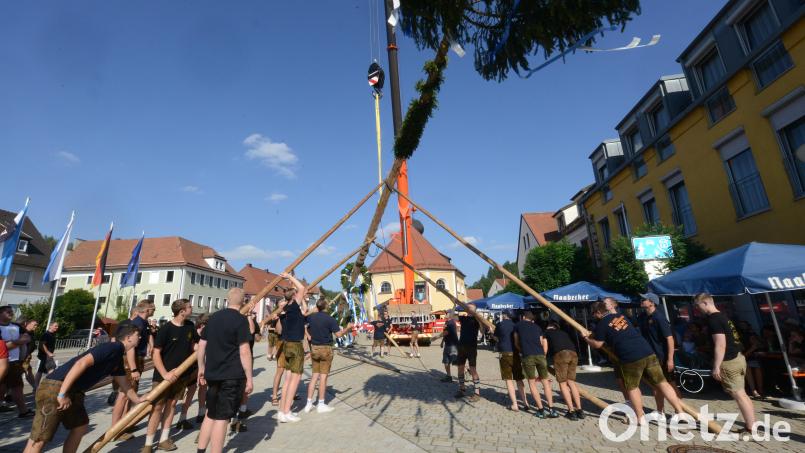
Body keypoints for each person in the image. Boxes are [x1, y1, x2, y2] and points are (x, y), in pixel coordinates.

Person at [23, 325, 145, 453]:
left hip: (74, 391)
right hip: (56, 386)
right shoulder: (112, 347)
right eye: (138, 335)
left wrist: (138, 399)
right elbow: (81, 363)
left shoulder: (117, 356)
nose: (140, 337)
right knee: (40, 438)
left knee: (80, 426)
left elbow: (124, 383)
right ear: (129, 338)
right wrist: (62, 394)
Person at [585, 301, 683, 425]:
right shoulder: (622, 317)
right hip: (647, 352)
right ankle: (680, 413)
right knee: (662, 383)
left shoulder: (601, 324)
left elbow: (598, 344)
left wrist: (586, 338)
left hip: (629, 357)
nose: (594, 316)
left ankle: (640, 417)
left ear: (598, 312)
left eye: (594, 314)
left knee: (632, 387)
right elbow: (615, 331)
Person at [197, 288, 253, 453]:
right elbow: (244, 350)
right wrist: (249, 377)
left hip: (212, 374)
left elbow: (201, 345)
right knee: (222, 418)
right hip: (231, 375)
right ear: (242, 302)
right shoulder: (240, 320)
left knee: (210, 414)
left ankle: (200, 450)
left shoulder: (214, 318)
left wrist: (201, 367)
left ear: (227, 300)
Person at [693, 293, 756, 432]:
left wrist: (716, 366)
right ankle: (751, 424)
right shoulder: (723, 316)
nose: (697, 309)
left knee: (739, 395)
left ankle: (751, 428)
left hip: (729, 361)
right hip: (738, 357)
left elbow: (720, 344)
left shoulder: (713, 320)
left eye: (697, 306)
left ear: (705, 303)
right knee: (743, 394)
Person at [142, 299, 198, 453]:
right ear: (182, 311)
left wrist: (205, 348)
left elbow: (194, 345)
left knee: (172, 405)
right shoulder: (166, 329)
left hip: (181, 375)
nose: (191, 308)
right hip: (162, 376)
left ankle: (164, 439)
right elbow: (156, 353)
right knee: (157, 407)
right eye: (189, 307)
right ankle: (148, 444)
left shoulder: (189, 326)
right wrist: (165, 374)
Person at [112, 300, 154, 438]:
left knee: (130, 393)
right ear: (147, 309)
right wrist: (134, 369)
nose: (154, 310)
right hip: (132, 360)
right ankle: (115, 429)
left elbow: (147, 338)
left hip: (137, 359)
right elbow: (130, 347)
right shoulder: (135, 323)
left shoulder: (143, 323)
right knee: (124, 394)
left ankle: (125, 424)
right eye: (153, 308)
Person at [304, 298, 353, 413]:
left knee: (314, 376)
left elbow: (304, 318)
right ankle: (321, 404)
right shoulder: (330, 319)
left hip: (314, 348)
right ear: (326, 306)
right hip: (325, 348)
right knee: (323, 377)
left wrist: (313, 310)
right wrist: (348, 328)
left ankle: (309, 403)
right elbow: (339, 334)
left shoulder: (311, 317)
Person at [638, 293, 681, 417]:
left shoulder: (659, 318)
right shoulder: (642, 317)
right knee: (656, 386)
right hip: (651, 357)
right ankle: (660, 411)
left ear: (652, 302)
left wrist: (670, 359)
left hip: (662, 357)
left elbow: (670, 339)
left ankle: (679, 411)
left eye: (644, 299)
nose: (641, 300)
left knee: (670, 384)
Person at [276, 273, 307, 423]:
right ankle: (287, 411)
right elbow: (302, 288)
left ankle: (281, 411)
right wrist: (289, 277)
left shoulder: (285, 310)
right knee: (295, 379)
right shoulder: (294, 306)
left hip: (287, 344)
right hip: (295, 345)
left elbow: (280, 330)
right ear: (294, 295)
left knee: (287, 379)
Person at [514, 311, 557, 418]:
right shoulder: (537, 327)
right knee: (545, 382)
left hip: (528, 355)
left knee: (532, 383)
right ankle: (551, 409)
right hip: (540, 355)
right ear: (532, 319)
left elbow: (516, 341)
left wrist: (521, 350)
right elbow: (542, 341)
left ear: (523, 317)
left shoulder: (518, 325)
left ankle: (541, 410)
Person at [544, 321, 583, 420]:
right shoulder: (563, 332)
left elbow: (545, 346)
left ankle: (571, 411)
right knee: (571, 382)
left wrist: (543, 358)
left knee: (562, 383)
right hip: (573, 354)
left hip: (561, 355)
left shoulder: (547, 333)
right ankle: (579, 410)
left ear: (549, 326)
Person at [0, 305, 34, 417]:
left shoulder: (16, 326)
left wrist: (9, 343)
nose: (11, 313)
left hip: (15, 361)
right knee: (12, 386)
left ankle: (23, 411)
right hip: (2, 361)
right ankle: (23, 411)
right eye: (7, 312)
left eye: (11, 311)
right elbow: (2, 347)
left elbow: (27, 338)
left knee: (16, 386)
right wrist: (19, 341)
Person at [230, 311, 261, 433]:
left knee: (244, 390)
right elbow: (251, 331)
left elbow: (256, 335)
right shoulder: (238, 321)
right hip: (238, 359)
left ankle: (242, 412)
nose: (252, 314)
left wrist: (252, 319)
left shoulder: (251, 321)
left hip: (247, 358)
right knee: (238, 389)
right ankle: (235, 420)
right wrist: (248, 317)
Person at [495, 310, 527, 411]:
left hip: (505, 352)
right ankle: (526, 403)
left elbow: (496, 338)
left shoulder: (500, 324)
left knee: (508, 379)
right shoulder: (516, 325)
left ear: (505, 315)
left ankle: (515, 404)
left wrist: (493, 334)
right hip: (516, 353)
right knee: (519, 378)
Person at [455, 304, 485, 402]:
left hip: (471, 347)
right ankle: (462, 388)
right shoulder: (463, 318)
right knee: (460, 368)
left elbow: (482, 331)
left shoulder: (477, 319)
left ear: (475, 310)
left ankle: (477, 393)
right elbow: (450, 316)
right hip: (461, 346)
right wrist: (453, 305)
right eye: (468, 308)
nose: (468, 309)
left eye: (471, 308)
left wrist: (480, 319)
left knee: (473, 370)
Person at [35, 322, 59, 389]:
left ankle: (36, 386)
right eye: (55, 326)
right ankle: (50, 386)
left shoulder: (52, 334)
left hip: (46, 355)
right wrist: (48, 353)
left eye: (57, 326)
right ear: (50, 326)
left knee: (40, 370)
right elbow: (42, 344)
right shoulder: (46, 334)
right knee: (52, 369)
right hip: (46, 356)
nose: (57, 327)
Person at [440, 311, 459, 383]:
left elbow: (446, 333)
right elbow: (445, 333)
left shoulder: (451, 323)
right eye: (445, 313)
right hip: (447, 344)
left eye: (447, 313)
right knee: (446, 362)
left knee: (455, 362)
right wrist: (442, 342)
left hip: (453, 345)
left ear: (451, 315)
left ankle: (466, 371)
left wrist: (435, 338)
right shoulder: (446, 322)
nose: (445, 314)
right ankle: (449, 376)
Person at [20, 319, 39, 389]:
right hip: (22, 358)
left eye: (37, 325)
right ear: (28, 324)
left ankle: (35, 388)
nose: (36, 326)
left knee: (28, 372)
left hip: (27, 357)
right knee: (19, 375)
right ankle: (10, 393)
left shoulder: (32, 333)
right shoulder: (23, 332)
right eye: (35, 325)